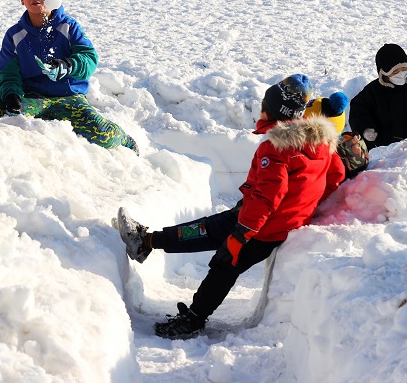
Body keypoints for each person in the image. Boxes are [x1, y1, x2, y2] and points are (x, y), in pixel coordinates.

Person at [117, 74, 345, 339]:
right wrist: (301, 205)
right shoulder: (322, 144)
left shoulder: (276, 149)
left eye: (264, 104)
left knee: (224, 263)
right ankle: (147, 242)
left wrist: (240, 235)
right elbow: (335, 176)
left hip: (259, 227)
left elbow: (268, 198)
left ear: (273, 111)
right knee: (207, 229)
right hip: (272, 221)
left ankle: (193, 319)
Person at [0, 0, 136, 152]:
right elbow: (8, 74)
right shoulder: (14, 35)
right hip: (32, 100)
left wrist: (68, 65)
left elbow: (89, 58)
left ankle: (123, 139)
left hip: (69, 99)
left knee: (101, 133)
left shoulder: (69, 27)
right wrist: (12, 96)